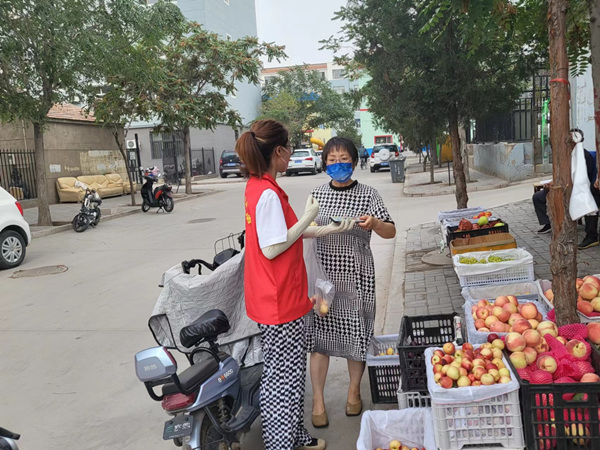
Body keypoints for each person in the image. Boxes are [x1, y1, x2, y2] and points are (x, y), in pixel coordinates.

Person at [237, 119, 338, 450]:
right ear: (278, 152)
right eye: (290, 147)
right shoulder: (266, 194)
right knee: (282, 381)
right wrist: (310, 216)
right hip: (279, 303)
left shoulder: (260, 186)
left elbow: (285, 233)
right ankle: (281, 445)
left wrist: (332, 228)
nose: (292, 152)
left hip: (279, 297)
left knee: (291, 375)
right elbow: (273, 246)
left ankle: (297, 437)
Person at [304, 136, 396, 428]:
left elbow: (391, 231)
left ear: (355, 162)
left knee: (357, 335)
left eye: (344, 159)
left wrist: (375, 224)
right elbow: (301, 229)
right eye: (332, 160)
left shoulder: (368, 193)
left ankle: (354, 391)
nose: (338, 164)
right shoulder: (316, 195)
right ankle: (318, 400)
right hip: (323, 278)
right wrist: (313, 227)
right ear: (324, 164)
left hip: (357, 276)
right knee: (320, 339)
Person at [532, 128, 600, 243]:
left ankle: (591, 236)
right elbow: (561, 173)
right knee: (538, 197)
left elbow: (582, 178)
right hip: (563, 186)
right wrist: (553, 182)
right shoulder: (564, 155)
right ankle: (549, 222)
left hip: (581, 188)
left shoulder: (584, 156)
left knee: (589, 203)